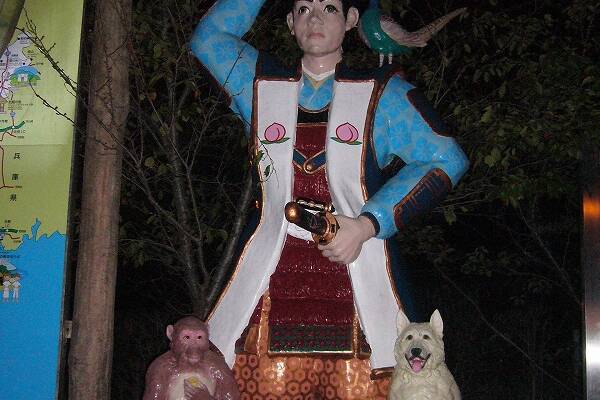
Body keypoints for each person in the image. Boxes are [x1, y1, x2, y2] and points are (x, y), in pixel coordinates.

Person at [191, 0, 469, 398]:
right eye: (304, 9)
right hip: (269, 283)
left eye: (329, 8)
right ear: (290, 22)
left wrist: (367, 224)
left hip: (359, 283)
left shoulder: (382, 94)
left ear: (351, 20)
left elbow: (446, 159)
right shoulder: (259, 86)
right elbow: (209, 39)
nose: (316, 18)